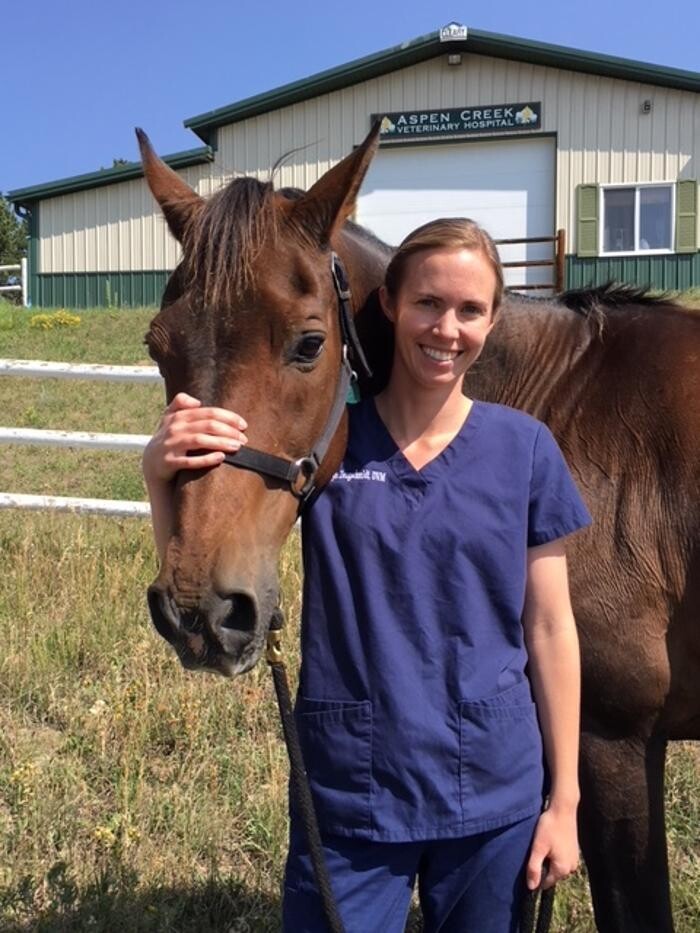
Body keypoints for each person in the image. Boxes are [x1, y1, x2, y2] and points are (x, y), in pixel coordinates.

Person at [143, 218, 591, 932]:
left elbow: (551, 627)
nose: (446, 329)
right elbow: (209, 569)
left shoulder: (525, 449)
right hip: (352, 791)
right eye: (428, 303)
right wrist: (158, 477)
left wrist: (564, 801)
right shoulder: (329, 450)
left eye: (470, 309)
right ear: (388, 304)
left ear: (492, 320)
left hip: (492, 793)